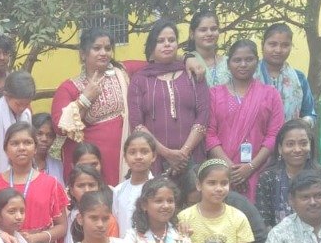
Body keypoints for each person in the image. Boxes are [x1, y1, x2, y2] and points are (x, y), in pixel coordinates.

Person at [127, 19, 210, 177]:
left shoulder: (193, 73)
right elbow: (137, 124)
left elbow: (203, 116)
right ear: (152, 46)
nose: (167, 44)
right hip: (155, 160)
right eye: (160, 41)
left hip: (192, 159)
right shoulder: (140, 80)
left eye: (172, 40)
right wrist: (167, 154)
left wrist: (183, 153)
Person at [205, 38, 285, 202]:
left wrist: (250, 167)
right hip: (222, 173)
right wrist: (230, 169)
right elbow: (210, 135)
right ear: (228, 64)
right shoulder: (214, 94)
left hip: (260, 170)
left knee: (257, 219)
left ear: (257, 62)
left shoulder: (270, 94)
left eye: (249, 59)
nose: (243, 64)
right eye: (237, 60)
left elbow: (274, 135)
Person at [51, 28, 130, 186]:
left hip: (122, 157)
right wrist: (86, 98)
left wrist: (187, 57)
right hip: (91, 162)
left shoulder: (122, 73)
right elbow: (60, 127)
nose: (103, 53)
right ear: (83, 54)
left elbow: (155, 62)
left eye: (108, 48)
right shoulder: (69, 87)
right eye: (97, 48)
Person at [0, 122, 69, 243]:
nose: (21, 148)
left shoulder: (51, 183)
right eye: (15, 143)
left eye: (27, 142)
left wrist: (36, 238)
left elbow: (62, 226)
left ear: (35, 148)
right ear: (5, 149)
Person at [256, 119, 321, 228]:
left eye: (303, 143)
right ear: (280, 148)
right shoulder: (268, 178)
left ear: (310, 145)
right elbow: (263, 221)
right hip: (277, 240)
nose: (297, 149)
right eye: (290, 144)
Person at [258, 23, 317, 125]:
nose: (278, 50)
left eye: (285, 45)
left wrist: (304, 122)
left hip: (288, 138)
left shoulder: (299, 78)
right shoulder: (248, 75)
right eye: (272, 44)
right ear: (263, 44)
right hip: (253, 140)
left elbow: (310, 114)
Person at [0, 71, 35, 172]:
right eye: (18, 104)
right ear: (6, 96)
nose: (22, 108)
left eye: (26, 104)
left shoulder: (26, 114)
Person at [112, 129, 157, 237]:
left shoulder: (159, 188)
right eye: (132, 152)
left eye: (144, 151)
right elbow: (117, 224)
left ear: (154, 156)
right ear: (125, 158)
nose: (138, 157)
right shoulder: (118, 190)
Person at [64, 164, 116, 243]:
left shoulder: (108, 219)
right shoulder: (66, 218)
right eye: (81, 186)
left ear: (99, 188)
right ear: (72, 190)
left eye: (91, 185)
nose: (87, 190)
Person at [187, 10, 229, 87]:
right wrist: (186, 58)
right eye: (203, 30)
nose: (209, 33)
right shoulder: (187, 64)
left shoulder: (228, 63)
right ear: (192, 34)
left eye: (213, 29)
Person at [32, 113, 63, 180]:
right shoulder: (21, 165)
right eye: (39, 134)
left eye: (50, 135)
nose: (44, 139)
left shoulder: (59, 166)